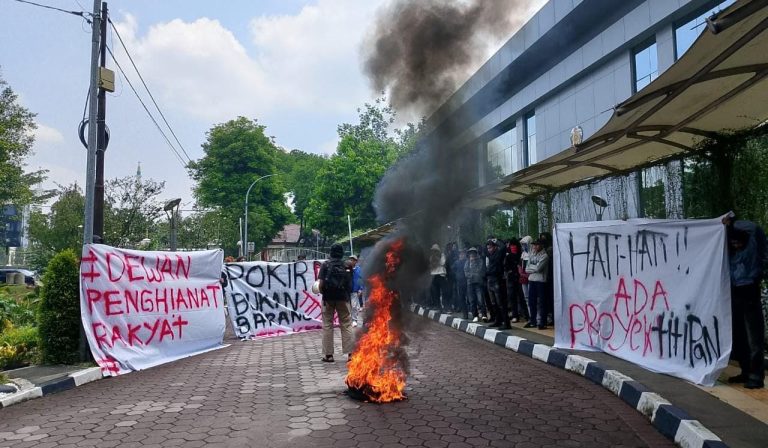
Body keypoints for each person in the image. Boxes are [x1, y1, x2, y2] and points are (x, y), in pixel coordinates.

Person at [727, 225, 766, 389]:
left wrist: (732, 222)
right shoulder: (731, 253)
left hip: (750, 294)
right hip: (735, 294)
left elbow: (753, 228)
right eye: (733, 243)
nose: (736, 246)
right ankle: (745, 372)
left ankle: (756, 377)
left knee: (754, 339)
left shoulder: (751, 249)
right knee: (739, 336)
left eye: (738, 243)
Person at [318, 243, 353, 363]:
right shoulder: (347, 265)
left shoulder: (325, 265)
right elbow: (349, 283)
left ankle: (328, 355)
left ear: (330, 252)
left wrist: (324, 294)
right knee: (347, 324)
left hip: (328, 298)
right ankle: (350, 354)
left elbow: (321, 284)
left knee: (327, 324)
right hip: (343, 298)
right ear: (342, 253)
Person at [485, 238, 510, 330]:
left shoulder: (499, 254)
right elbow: (484, 250)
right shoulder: (489, 255)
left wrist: (496, 240)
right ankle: (498, 320)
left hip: (497, 279)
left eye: (490, 247)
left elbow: (503, 247)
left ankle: (506, 323)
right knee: (494, 302)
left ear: (495, 247)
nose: (489, 250)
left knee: (501, 303)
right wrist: (488, 241)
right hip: (490, 279)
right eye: (488, 248)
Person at [525, 238, 550, 330]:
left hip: (541, 281)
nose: (535, 246)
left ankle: (542, 322)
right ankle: (533, 321)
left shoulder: (544, 256)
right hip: (532, 280)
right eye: (534, 245)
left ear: (541, 245)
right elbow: (526, 269)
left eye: (537, 245)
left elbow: (539, 268)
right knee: (531, 302)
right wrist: (533, 267)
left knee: (542, 302)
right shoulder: (531, 254)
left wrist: (532, 267)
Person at [505, 238, 528, 323]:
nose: (513, 247)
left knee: (522, 297)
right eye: (511, 246)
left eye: (514, 246)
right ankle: (515, 315)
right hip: (511, 278)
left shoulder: (521, 255)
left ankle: (526, 315)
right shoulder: (508, 256)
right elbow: (506, 267)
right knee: (512, 297)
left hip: (520, 278)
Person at [465, 247, 487, 322]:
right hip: (470, 283)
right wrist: (472, 274)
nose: (472, 254)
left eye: (473, 253)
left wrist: (474, 263)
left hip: (478, 283)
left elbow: (480, 271)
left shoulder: (480, 261)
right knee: (472, 300)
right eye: (470, 253)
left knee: (480, 299)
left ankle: (484, 314)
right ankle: (475, 315)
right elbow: (466, 272)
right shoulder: (467, 262)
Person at [429, 244, 448, 310]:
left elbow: (443, 263)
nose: (434, 251)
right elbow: (430, 264)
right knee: (435, 292)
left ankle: (445, 306)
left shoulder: (442, 255)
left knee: (444, 292)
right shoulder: (431, 257)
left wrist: (437, 258)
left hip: (441, 275)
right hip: (434, 276)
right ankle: (438, 306)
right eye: (433, 250)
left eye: (435, 250)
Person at [452, 249, 468, 319]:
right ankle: (465, 313)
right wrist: (456, 275)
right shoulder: (456, 262)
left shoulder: (467, 261)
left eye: (463, 254)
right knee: (462, 298)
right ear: (459, 255)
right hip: (459, 282)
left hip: (467, 282)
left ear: (465, 255)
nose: (461, 255)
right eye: (460, 254)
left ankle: (473, 313)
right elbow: (452, 269)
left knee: (469, 299)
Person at [348, 254, 363, 328]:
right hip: (346, 291)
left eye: (353, 260)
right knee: (347, 306)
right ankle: (348, 320)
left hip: (354, 291)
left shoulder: (359, 269)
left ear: (356, 261)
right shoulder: (347, 268)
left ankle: (354, 320)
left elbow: (361, 279)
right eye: (350, 259)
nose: (351, 261)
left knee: (354, 306)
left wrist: (361, 289)